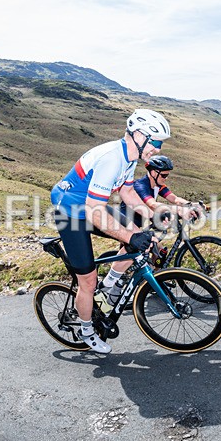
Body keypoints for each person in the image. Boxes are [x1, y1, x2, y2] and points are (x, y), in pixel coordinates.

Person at [50, 109, 170, 353]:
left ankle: (110, 284)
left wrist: (152, 213)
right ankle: (87, 333)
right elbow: (95, 211)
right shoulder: (112, 158)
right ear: (138, 135)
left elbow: (126, 193)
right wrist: (130, 236)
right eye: (155, 142)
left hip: (90, 208)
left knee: (136, 232)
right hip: (70, 213)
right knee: (88, 281)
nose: (157, 148)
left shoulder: (129, 158)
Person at [119, 155, 201, 228]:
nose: (166, 178)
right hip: (125, 222)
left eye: (167, 175)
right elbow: (152, 205)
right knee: (150, 243)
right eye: (164, 175)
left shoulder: (158, 185)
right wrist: (179, 210)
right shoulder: (140, 186)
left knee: (156, 244)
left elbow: (175, 199)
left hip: (138, 222)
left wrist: (191, 204)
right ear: (153, 173)